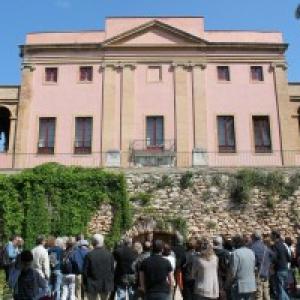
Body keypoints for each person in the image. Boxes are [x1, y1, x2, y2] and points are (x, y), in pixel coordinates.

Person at [83, 234, 115, 300]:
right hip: (105, 284)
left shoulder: (89, 255)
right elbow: (112, 270)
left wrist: (85, 284)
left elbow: (85, 272)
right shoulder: (109, 254)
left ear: (93, 242)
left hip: (92, 284)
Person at [231, 234, 256, 300]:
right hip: (251, 284)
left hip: (240, 285)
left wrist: (228, 284)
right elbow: (253, 268)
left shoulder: (235, 253)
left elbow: (233, 272)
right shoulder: (251, 252)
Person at [250, 231, 273, 300]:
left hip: (257, 273)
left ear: (253, 237)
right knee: (266, 292)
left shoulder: (252, 247)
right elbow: (273, 256)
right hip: (266, 272)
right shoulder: (265, 247)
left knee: (258, 294)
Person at [271, 231, 291, 300]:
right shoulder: (283, 245)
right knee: (282, 288)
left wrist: (273, 265)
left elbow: (274, 258)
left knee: (279, 289)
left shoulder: (275, 246)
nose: (271, 237)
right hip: (285, 269)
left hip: (279, 269)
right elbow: (289, 258)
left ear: (275, 236)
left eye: (272, 235)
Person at [213, 236, 231, 300]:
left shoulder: (211, 252)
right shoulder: (226, 253)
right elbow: (229, 265)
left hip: (214, 275)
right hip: (224, 276)